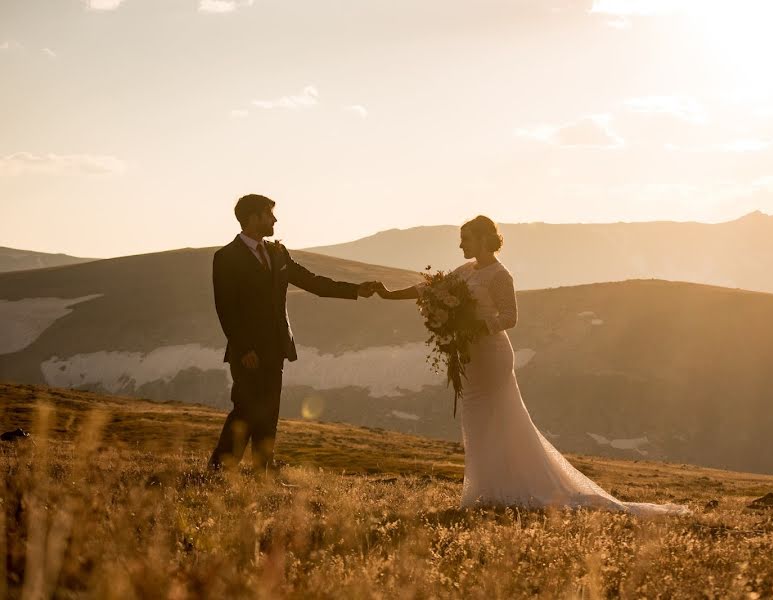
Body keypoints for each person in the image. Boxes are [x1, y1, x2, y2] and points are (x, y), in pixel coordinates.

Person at [376, 215, 690, 516]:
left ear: (484, 239)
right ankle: (484, 491)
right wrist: (389, 295)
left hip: (492, 356)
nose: (461, 246)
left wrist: (474, 326)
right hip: (470, 358)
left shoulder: (500, 275)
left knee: (502, 420)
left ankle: (509, 490)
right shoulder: (465, 270)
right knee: (476, 422)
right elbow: (430, 289)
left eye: (465, 239)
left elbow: (509, 317)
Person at [208, 194, 380, 474]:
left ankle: (264, 471)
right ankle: (220, 469)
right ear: (253, 218)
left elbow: (312, 282)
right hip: (247, 352)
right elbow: (226, 309)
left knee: (269, 412)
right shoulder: (226, 257)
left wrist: (354, 289)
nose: (274, 219)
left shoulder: (278, 253)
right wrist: (244, 349)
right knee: (245, 410)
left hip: (276, 346)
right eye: (269, 214)